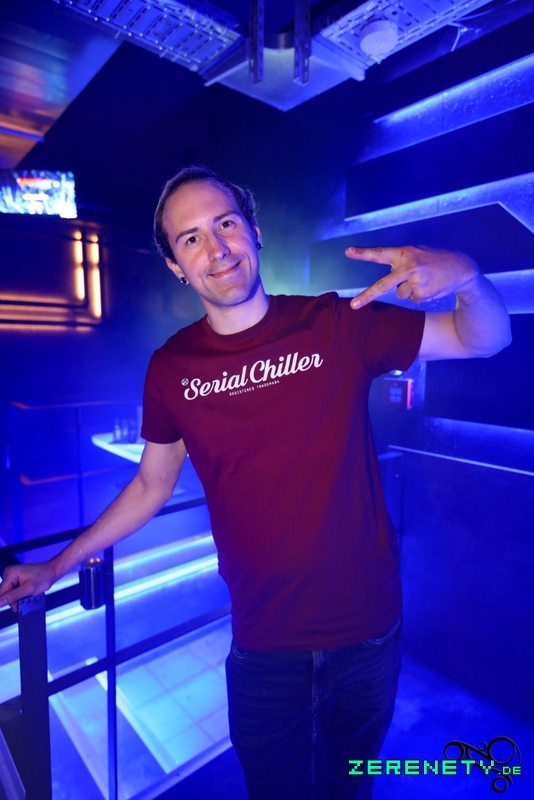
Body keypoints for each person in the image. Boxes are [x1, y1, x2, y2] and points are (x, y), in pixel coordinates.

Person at [0, 166, 511, 799]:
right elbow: (150, 486)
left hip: (368, 634)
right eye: (190, 239)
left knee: (352, 786)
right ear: (176, 267)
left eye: (225, 224)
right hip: (265, 647)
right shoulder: (172, 368)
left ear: (254, 231)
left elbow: (485, 338)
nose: (216, 249)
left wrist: (469, 278)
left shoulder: (337, 322)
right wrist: (56, 566)